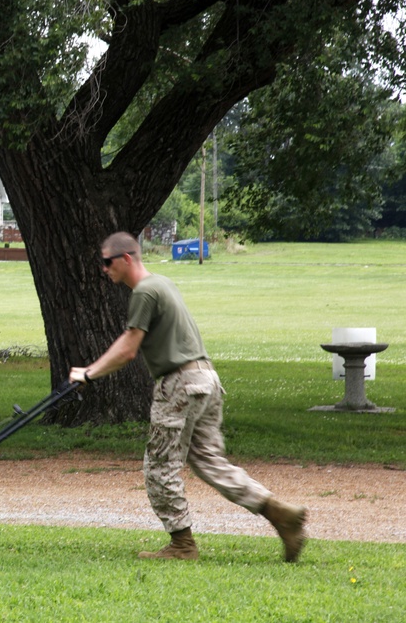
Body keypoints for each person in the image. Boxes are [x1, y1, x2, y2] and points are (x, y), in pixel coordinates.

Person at [69, 232, 307, 562]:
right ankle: (280, 514)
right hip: (206, 379)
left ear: (126, 258)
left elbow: (128, 349)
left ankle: (182, 545)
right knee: (210, 462)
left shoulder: (146, 291)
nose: (103, 268)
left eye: (107, 262)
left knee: (159, 466)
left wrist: (88, 373)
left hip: (180, 383)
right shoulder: (163, 283)